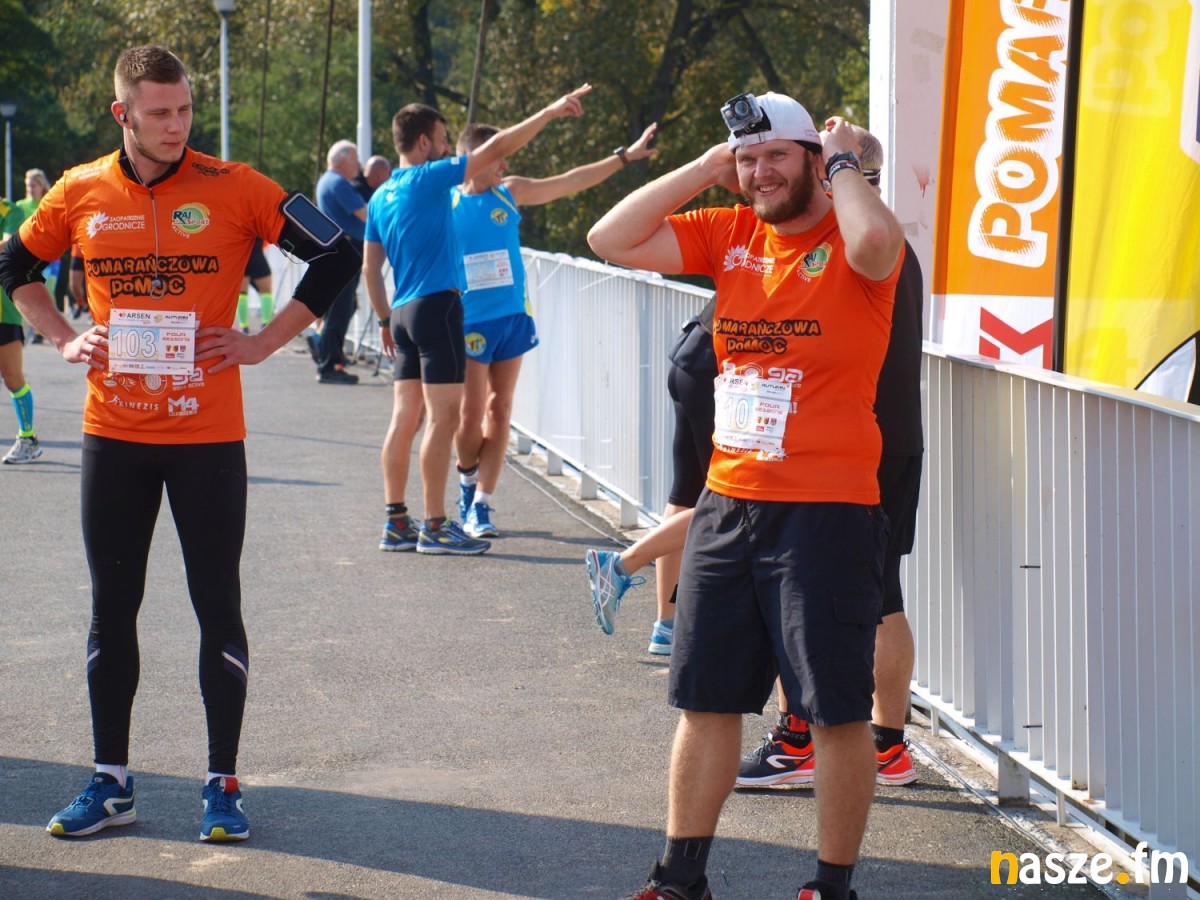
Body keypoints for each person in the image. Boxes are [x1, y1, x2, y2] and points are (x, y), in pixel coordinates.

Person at [0, 45, 359, 842]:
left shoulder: (237, 185)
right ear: (122, 115)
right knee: (111, 608)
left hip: (207, 438)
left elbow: (338, 252)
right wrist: (62, 337)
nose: (176, 125)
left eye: (185, 109)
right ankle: (111, 783)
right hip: (114, 435)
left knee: (216, 604)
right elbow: (13, 263)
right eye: (159, 112)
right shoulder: (79, 190)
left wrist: (264, 342)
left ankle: (221, 785)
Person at [588, 91, 904, 900]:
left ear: (813, 161)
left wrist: (844, 162)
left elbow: (877, 244)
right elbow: (608, 238)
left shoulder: (851, 234)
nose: (760, 172)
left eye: (777, 156)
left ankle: (831, 885)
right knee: (706, 702)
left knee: (835, 711)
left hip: (827, 510)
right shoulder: (729, 232)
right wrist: (706, 166)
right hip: (728, 503)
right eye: (747, 159)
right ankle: (678, 878)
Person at [736, 124, 924, 793]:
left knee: (813, 594)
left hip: (854, 444)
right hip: (885, 438)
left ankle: (804, 738)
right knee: (880, 594)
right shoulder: (883, 236)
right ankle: (886, 744)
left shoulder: (861, 238)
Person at [364, 84, 593, 556]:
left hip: (401, 313)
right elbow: (497, 147)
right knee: (443, 419)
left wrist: (384, 320)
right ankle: (435, 525)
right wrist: (548, 111)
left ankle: (396, 521)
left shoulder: (381, 195)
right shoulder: (430, 177)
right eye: (441, 138)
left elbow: (370, 268)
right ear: (423, 142)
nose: (447, 147)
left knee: (404, 418)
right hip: (438, 307)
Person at [452, 121, 659, 539]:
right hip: (469, 320)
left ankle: (483, 504)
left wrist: (624, 157)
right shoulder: (447, 201)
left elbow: (571, 181)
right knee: (470, 417)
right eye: (497, 158)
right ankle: (467, 478)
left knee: (500, 409)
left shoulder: (509, 192)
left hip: (512, 316)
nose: (504, 165)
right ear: (475, 159)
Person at [586, 295, 715, 655]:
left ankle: (667, 626)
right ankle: (620, 565)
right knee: (727, 501)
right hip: (715, 369)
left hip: (692, 355)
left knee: (686, 495)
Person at [314, 139, 368, 384]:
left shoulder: (328, 181)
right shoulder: (338, 183)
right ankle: (329, 364)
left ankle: (327, 351)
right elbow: (365, 214)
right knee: (341, 309)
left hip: (336, 250)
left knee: (345, 306)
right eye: (355, 159)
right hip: (346, 250)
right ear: (343, 160)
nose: (359, 164)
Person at [0, 195, 42, 463]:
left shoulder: (9, 210)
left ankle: (28, 438)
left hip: (3, 310)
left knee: (12, 378)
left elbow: (7, 244)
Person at [235, 238, 274, 334]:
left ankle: (244, 327)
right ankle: (266, 325)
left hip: (241, 257)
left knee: (242, 293)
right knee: (266, 292)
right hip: (256, 256)